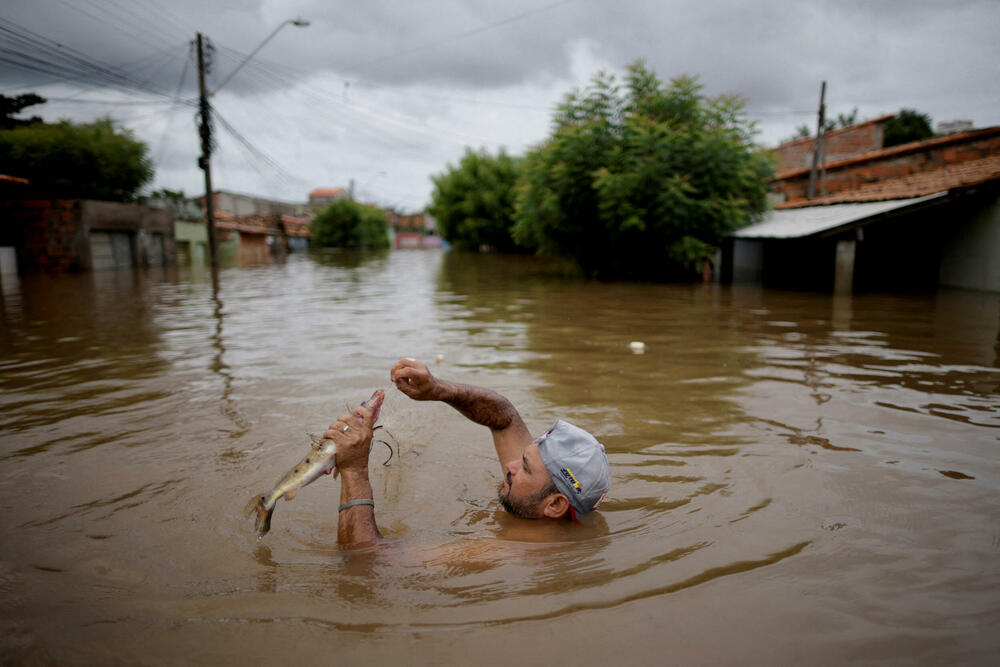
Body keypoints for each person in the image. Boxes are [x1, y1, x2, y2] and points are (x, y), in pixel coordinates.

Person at [325, 359, 611, 548]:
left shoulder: (512, 551)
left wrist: (354, 470)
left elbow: (366, 566)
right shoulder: (541, 496)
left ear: (556, 505)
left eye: (525, 467)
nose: (510, 465)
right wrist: (437, 389)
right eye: (522, 458)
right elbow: (504, 417)